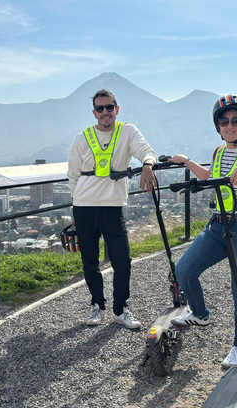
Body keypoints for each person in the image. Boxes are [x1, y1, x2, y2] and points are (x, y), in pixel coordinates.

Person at [167, 94, 237, 368]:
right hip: (218, 226)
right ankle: (200, 314)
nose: (230, 125)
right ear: (218, 125)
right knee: (185, 270)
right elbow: (211, 176)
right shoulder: (219, 152)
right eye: (224, 121)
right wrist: (187, 162)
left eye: (236, 120)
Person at [67, 89, 158, 329]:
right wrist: (74, 209)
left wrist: (148, 164)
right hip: (84, 206)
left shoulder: (127, 131)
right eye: (100, 108)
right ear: (94, 112)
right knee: (90, 261)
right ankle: (97, 305)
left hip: (112, 207)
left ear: (117, 109)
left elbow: (145, 150)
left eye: (109, 107)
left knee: (122, 261)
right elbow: (73, 175)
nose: (105, 112)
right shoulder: (82, 138)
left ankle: (120, 309)